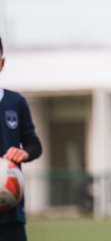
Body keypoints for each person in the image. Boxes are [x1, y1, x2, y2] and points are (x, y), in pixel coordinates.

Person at [0, 37, 43, 241]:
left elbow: (35, 145)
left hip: (11, 208)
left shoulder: (16, 102)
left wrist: (24, 153)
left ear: (2, 63)